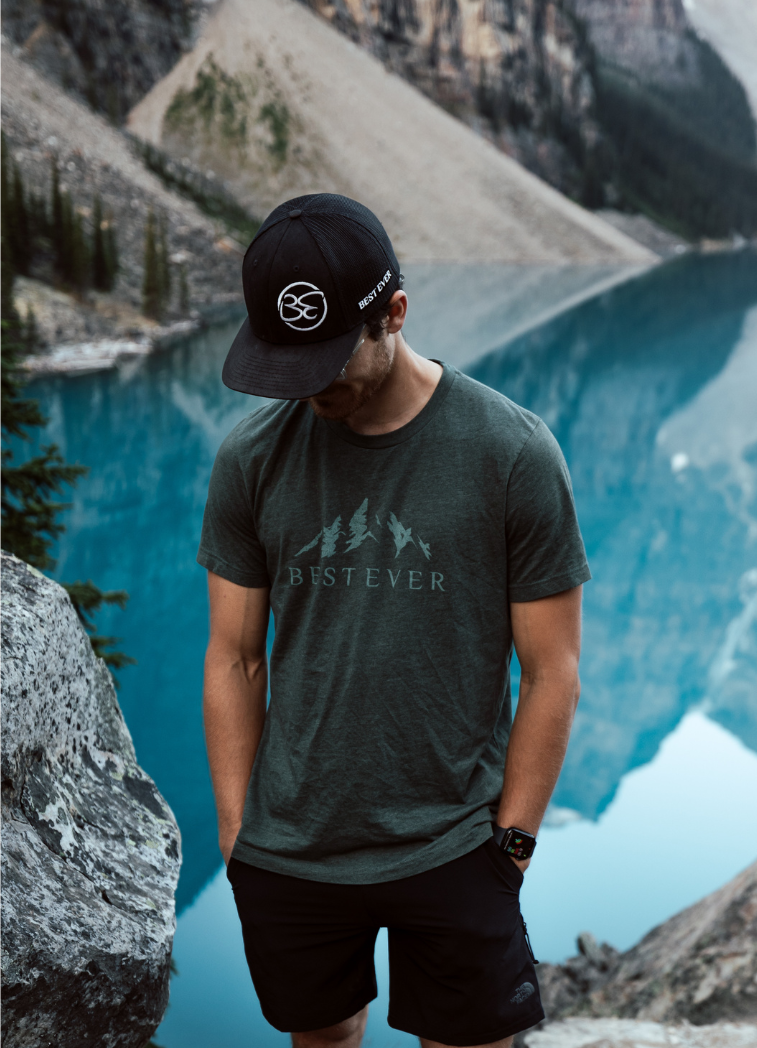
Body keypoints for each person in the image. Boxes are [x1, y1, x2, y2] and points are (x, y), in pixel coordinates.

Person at [197, 193, 590, 1048]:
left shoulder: (511, 453)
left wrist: (511, 846)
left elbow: (553, 670)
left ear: (394, 314)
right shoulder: (251, 459)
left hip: (454, 844)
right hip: (290, 848)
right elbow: (235, 659)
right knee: (325, 1039)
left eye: (327, 362)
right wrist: (238, 837)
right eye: (286, 366)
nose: (307, 390)